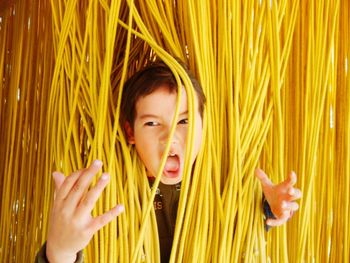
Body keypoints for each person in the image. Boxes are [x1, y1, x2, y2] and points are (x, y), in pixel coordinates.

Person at [35, 60, 302, 262]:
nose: (170, 137)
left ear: (203, 124)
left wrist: (271, 208)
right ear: (131, 133)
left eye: (184, 121)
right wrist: (59, 251)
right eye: (152, 123)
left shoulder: (222, 182)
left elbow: (244, 224)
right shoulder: (110, 195)